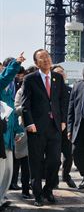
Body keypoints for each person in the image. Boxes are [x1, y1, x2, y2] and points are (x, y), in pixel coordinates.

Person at [21, 49, 68, 206]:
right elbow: (25, 104)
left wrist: (63, 121)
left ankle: (48, 190)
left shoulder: (58, 78)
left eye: (47, 56)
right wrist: (29, 123)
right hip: (36, 128)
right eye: (42, 58)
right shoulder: (30, 79)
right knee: (36, 162)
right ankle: (38, 195)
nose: (46, 60)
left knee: (55, 161)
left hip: (55, 127)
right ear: (36, 63)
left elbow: (62, 100)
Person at [0, 53, 25, 210]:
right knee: (0, 168)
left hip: (9, 134)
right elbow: (5, 77)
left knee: (8, 170)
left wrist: (18, 130)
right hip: (1, 135)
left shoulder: (13, 85)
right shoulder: (3, 82)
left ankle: (2, 197)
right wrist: (15, 63)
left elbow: (13, 111)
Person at [13, 66, 38, 200]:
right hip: (24, 130)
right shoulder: (21, 92)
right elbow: (16, 108)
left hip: (40, 130)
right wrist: (27, 109)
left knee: (38, 162)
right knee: (25, 163)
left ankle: (36, 188)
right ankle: (25, 190)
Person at [51, 65, 76, 188]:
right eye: (57, 73)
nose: (61, 74)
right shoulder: (49, 90)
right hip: (53, 127)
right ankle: (53, 179)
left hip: (67, 128)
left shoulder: (70, 90)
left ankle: (66, 176)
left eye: (62, 72)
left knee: (68, 155)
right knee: (54, 157)